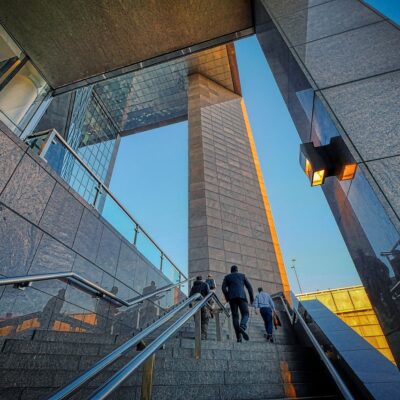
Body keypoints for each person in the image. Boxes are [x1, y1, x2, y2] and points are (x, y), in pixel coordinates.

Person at [222, 265, 254, 342]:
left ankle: (238, 337)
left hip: (232, 298)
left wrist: (227, 297)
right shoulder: (242, 276)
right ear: (237, 270)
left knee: (235, 317)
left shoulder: (227, 277)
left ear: (231, 270)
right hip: (242, 297)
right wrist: (251, 299)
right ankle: (242, 326)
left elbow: (223, 288)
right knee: (246, 314)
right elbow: (249, 287)